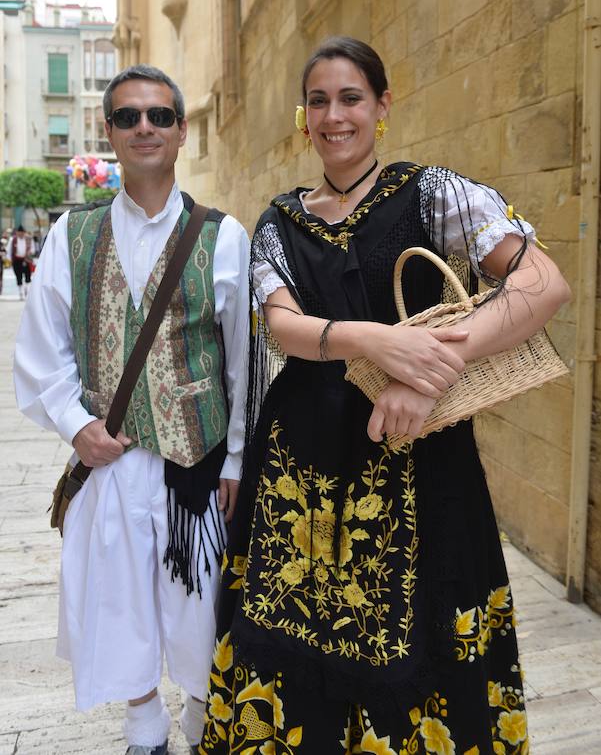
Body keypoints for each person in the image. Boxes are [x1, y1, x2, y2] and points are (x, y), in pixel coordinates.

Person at [199, 37, 570, 755]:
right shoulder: (277, 220)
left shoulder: (434, 193)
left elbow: (541, 284)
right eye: (317, 101)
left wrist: (426, 370)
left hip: (420, 454)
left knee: (427, 626)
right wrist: (372, 342)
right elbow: (281, 327)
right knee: (297, 633)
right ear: (302, 119)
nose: (333, 116)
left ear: (381, 107)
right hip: (305, 465)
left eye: (349, 98)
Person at [14, 64, 250, 755]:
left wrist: (235, 454)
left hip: (197, 466)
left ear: (180, 131)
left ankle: (202, 716)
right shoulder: (72, 236)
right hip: (111, 462)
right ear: (109, 133)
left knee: (199, 606)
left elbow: (241, 362)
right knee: (116, 599)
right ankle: (144, 724)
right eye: (127, 117)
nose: (143, 127)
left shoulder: (222, 236)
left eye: (157, 116)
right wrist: (75, 424)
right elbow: (41, 347)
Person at [7, 225, 33, 299]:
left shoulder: (28, 239)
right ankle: (20, 292)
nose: (21, 234)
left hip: (26, 260)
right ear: (17, 233)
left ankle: (27, 291)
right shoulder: (13, 240)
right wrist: (10, 260)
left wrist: (30, 252)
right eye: (19, 233)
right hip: (17, 260)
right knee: (19, 276)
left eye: (22, 233)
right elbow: (9, 250)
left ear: (24, 233)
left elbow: (33, 249)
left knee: (28, 275)